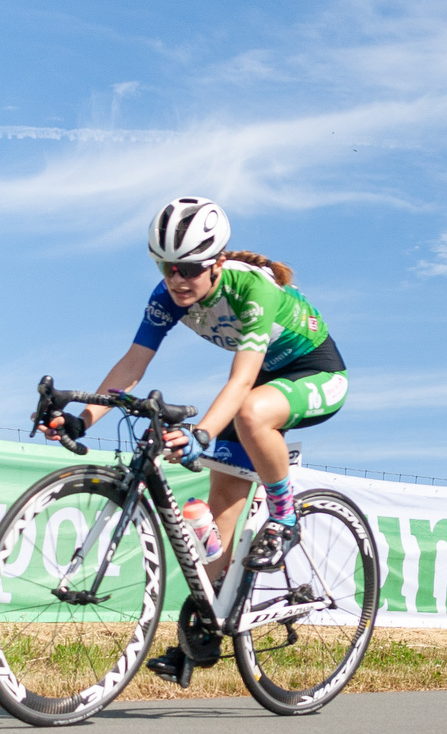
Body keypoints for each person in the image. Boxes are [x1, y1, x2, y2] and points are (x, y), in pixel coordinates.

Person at [47, 196, 348, 581]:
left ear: (217, 263)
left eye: (188, 269)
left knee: (250, 412)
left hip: (315, 373)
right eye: (166, 267)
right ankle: (206, 628)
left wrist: (202, 433)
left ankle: (285, 517)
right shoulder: (167, 296)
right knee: (220, 505)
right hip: (255, 387)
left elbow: (241, 380)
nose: (176, 279)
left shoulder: (253, 288)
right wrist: (83, 420)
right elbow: (132, 363)